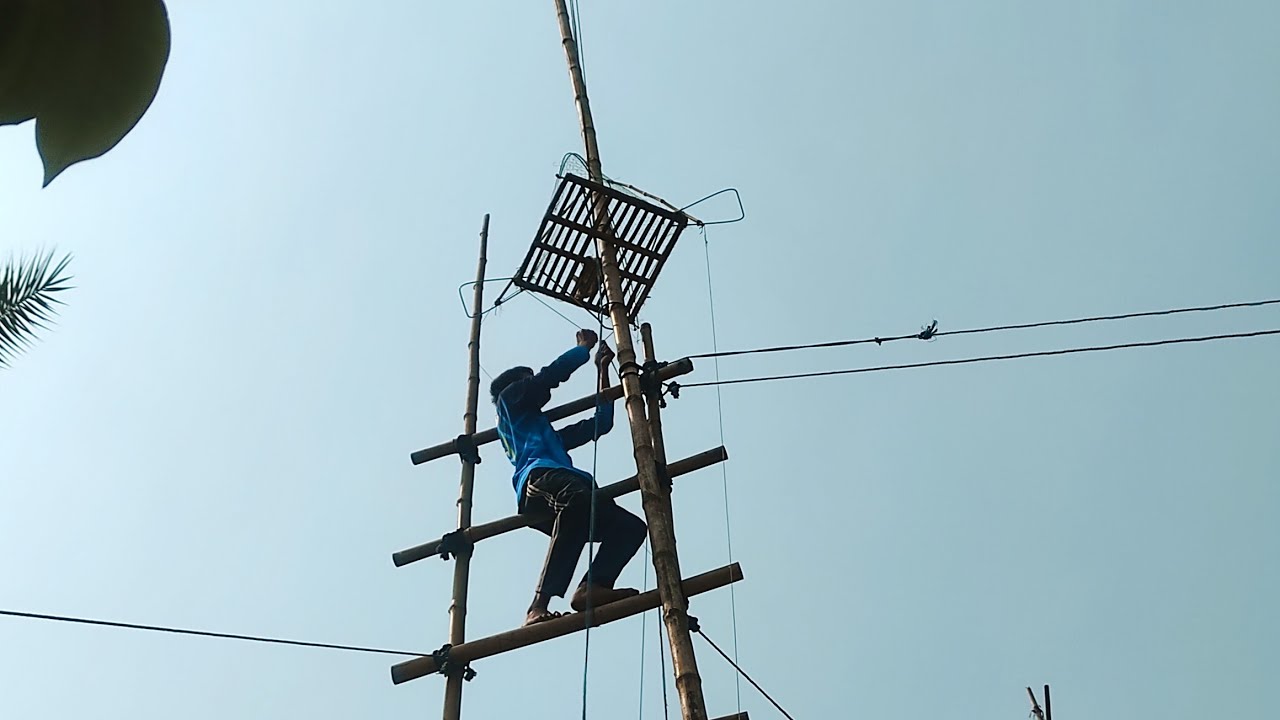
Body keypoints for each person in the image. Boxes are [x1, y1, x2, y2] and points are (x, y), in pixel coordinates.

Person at [491, 328, 647, 626]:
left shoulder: (542, 431)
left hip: (568, 490)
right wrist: (582, 349)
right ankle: (538, 605)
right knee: (575, 500)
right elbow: (549, 377)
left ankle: (594, 586)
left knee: (630, 527)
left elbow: (600, 424)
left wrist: (602, 370)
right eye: (528, 378)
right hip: (541, 481)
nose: (533, 382)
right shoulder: (507, 402)